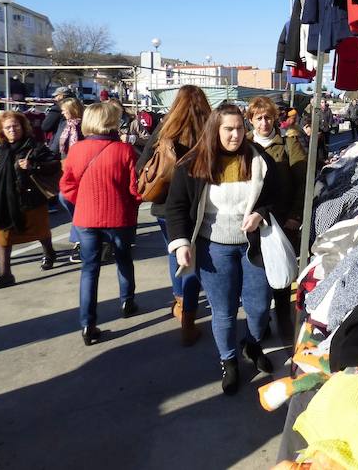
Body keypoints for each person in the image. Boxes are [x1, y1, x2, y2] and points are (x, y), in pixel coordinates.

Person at [165, 103, 281, 395]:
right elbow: (176, 207)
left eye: (240, 128)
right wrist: (180, 243)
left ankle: (251, 345)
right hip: (213, 249)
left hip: (253, 246)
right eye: (228, 129)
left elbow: (280, 194)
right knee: (224, 311)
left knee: (258, 307)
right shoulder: (193, 164)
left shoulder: (259, 159)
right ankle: (228, 361)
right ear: (215, 129)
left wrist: (262, 212)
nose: (235, 135)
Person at [59, 102, 141, 346]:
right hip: (120, 217)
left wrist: (83, 202)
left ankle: (87, 324)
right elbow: (135, 190)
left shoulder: (76, 150)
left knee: (89, 269)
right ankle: (127, 302)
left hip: (86, 218)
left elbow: (66, 186)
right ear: (111, 122)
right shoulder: (125, 150)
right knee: (124, 259)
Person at [136, 85, 210, 346]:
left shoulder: (164, 129)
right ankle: (188, 319)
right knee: (192, 259)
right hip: (197, 206)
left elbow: (140, 165)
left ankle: (180, 303)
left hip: (164, 207)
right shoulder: (208, 130)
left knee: (175, 254)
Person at [246, 96, 307, 343]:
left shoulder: (288, 143)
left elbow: (303, 181)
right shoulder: (244, 144)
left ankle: (283, 318)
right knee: (257, 274)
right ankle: (259, 324)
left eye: (268, 117)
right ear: (250, 120)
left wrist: (295, 215)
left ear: (275, 119)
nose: (263, 123)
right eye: (258, 118)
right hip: (252, 222)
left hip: (282, 219)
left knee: (281, 273)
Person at [0, 112, 60, 289]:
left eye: (15, 126)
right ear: (1, 130)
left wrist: (34, 166)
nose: (12, 130)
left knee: (41, 231)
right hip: (2, 201)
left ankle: (49, 252)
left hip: (30, 200)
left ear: (23, 127)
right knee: (2, 235)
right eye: (7, 127)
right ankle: (5, 274)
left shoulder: (35, 147)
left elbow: (55, 166)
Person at [53, 97, 85, 263]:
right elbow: (55, 148)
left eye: (65, 109)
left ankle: (79, 240)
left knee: (75, 202)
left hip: (82, 169)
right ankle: (80, 236)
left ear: (73, 109)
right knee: (65, 199)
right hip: (66, 167)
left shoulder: (85, 126)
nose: (63, 112)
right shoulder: (64, 126)